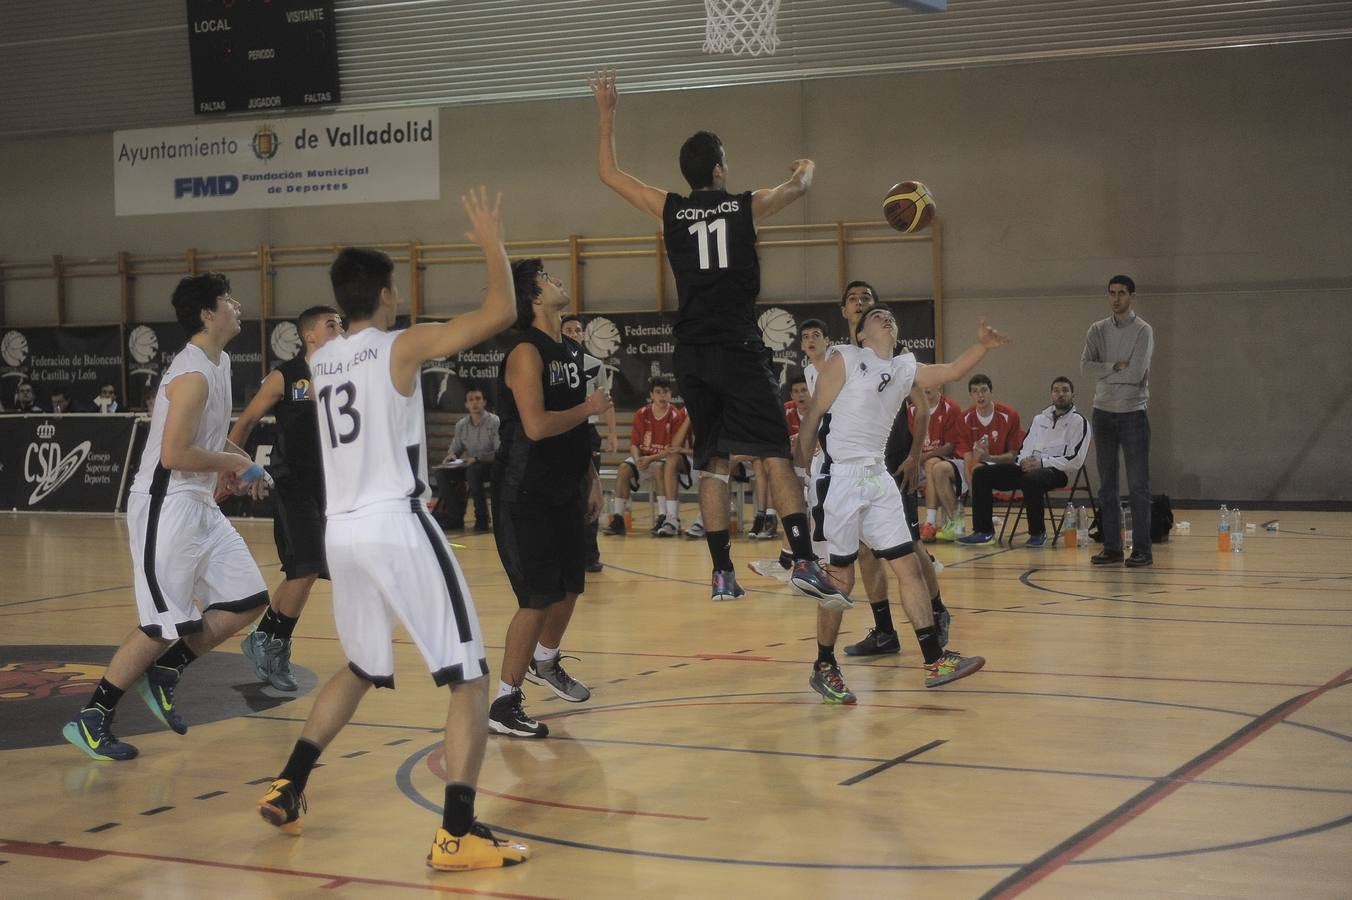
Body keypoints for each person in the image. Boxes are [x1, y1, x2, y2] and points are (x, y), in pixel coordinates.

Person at [256, 190, 530, 872]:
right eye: (395, 289)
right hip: (394, 523)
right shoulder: (398, 346)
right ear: (383, 294)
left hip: (341, 534)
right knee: (469, 678)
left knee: (361, 665)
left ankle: (289, 784)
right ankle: (456, 833)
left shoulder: (322, 362)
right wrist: (491, 240)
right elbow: (501, 313)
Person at [589, 67, 843, 606]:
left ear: (687, 174)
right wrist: (807, 165)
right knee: (775, 452)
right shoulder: (745, 204)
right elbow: (798, 186)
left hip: (692, 354)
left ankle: (722, 573)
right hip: (736, 346)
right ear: (721, 169)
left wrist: (608, 113)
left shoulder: (670, 207)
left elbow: (609, 173)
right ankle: (802, 559)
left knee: (713, 460)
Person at [62, 274, 271, 761]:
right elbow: (176, 454)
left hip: (198, 504)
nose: (236, 305)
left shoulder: (218, 363)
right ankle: (93, 717)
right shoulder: (192, 373)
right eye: (228, 300)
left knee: (248, 598)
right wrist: (235, 465)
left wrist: (246, 463)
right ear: (207, 313)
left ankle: (167, 671)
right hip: (166, 506)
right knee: (160, 625)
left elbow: (211, 440)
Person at [795, 306, 1010, 700]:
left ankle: (935, 658)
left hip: (877, 476)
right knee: (841, 579)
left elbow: (951, 371)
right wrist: (799, 479)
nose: (886, 318)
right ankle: (824, 664)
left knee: (908, 564)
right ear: (861, 334)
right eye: (877, 316)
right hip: (839, 476)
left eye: (890, 315)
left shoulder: (903, 367)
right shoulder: (846, 358)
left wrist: (982, 347)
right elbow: (813, 417)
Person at [489, 258, 611, 738]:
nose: (557, 279)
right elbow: (537, 426)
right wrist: (589, 407)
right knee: (536, 599)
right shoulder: (525, 351)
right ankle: (503, 701)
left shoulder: (568, 349)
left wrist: (592, 478)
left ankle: (545, 660)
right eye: (546, 278)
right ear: (534, 297)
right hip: (525, 492)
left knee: (570, 587)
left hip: (566, 486)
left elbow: (574, 428)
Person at [227, 305, 345, 691]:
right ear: (309, 335)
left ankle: (263, 639)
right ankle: (275, 645)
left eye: (341, 323)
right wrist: (231, 466)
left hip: (331, 488)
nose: (339, 329)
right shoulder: (286, 375)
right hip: (293, 483)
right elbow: (244, 423)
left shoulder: (346, 374)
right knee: (306, 567)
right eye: (331, 324)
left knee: (304, 574)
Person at [957, 377, 1090, 547]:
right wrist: (1024, 461)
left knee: (1031, 479)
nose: (1060, 394)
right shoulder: (1040, 419)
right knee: (982, 473)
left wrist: (1041, 463)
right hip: (1027, 467)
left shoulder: (1079, 422)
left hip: (1055, 471)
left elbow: (1076, 460)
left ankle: (1037, 533)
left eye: (1065, 390)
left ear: (1073, 395)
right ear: (1051, 395)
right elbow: (1025, 447)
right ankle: (983, 531)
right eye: (1056, 390)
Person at [1081, 275, 1155, 567]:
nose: (1116, 298)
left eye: (1121, 293)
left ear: (1131, 296)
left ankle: (1142, 550)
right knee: (1106, 486)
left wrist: (1107, 372)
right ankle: (1112, 547)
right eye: (1111, 293)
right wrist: (1114, 366)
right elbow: (1086, 368)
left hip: (1133, 413)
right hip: (1103, 412)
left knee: (1138, 485)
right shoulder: (1097, 330)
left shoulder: (1143, 331)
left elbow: (1136, 374)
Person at [927, 374, 1024, 542]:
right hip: (974, 464)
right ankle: (956, 524)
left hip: (1000, 464)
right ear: (971, 395)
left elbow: (1013, 455)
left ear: (991, 392)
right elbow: (967, 459)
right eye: (975, 391)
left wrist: (990, 457)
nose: (980, 395)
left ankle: (984, 528)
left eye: (984, 390)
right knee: (939, 468)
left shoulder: (1009, 415)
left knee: (980, 470)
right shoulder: (964, 418)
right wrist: (975, 493)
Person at [561, 313, 619, 572]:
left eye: (577, 330)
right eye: (569, 329)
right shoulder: (553, 363)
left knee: (589, 492)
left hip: (587, 431)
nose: (574, 333)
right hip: (560, 430)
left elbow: (606, 403)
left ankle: (589, 554)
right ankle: (562, 553)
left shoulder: (595, 365)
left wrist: (613, 433)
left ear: (584, 335)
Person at [603, 376, 690, 537]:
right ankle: (618, 519)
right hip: (644, 459)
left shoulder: (676, 415)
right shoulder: (642, 413)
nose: (662, 396)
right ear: (651, 395)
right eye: (658, 392)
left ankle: (663, 517)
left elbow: (673, 449)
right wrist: (637, 460)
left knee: (658, 467)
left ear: (671, 394)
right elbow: (634, 444)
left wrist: (650, 459)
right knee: (623, 469)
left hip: (662, 461)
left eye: (666, 392)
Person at [441, 385, 500, 532]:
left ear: (484, 402)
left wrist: (478, 458)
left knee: (473, 471)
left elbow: (500, 451)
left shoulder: (494, 422)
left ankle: (482, 518)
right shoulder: (461, 425)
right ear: (466, 404)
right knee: (441, 473)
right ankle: (455, 517)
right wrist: (451, 456)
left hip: (492, 466)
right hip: (471, 465)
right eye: (471, 400)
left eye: (478, 399)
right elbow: (455, 449)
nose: (474, 403)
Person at [914, 385, 965, 542]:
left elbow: (949, 446)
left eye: (931, 383)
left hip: (953, 460)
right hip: (921, 460)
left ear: (939, 385)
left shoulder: (951, 408)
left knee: (933, 465)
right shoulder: (912, 410)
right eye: (923, 383)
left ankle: (931, 521)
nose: (926, 387)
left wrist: (922, 457)